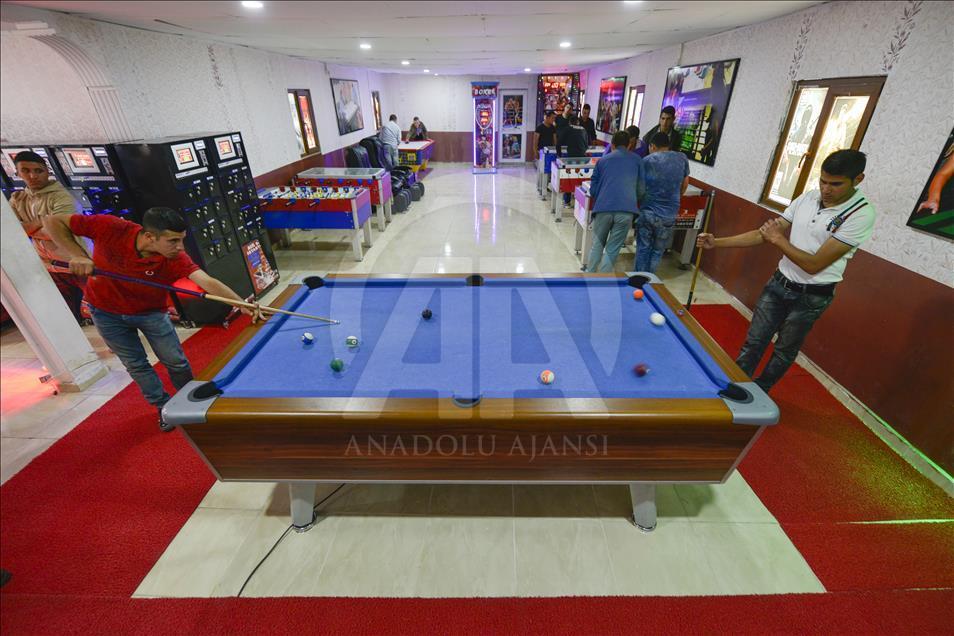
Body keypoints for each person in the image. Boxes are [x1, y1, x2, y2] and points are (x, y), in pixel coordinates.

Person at [44, 207, 258, 432]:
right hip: (106, 312)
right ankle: (163, 407)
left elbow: (207, 281)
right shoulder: (111, 227)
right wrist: (77, 255)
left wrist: (244, 305)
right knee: (137, 365)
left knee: (176, 361)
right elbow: (53, 221)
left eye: (182, 239)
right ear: (149, 237)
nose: (180, 247)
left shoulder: (175, 258)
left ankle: (190, 400)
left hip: (151, 313)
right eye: (173, 241)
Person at [696, 150, 876, 392]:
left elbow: (813, 264)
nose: (826, 189)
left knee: (784, 350)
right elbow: (764, 234)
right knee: (754, 341)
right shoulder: (808, 197)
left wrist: (778, 239)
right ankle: (736, 388)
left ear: (858, 179)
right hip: (779, 282)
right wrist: (717, 242)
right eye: (823, 181)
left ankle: (761, 392)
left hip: (813, 295)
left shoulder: (861, 214)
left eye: (836, 184)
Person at [9, 150, 89, 323]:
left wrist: (29, 228)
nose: (33, 176)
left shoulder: (62, 197)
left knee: (98, 310)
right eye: (26, 171)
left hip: (79, 262)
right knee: (67, 317)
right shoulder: (17, 198)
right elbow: (13, 232)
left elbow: (60, 231)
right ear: (18, 173)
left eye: (38, 171)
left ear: (47, 171)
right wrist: (41, 222)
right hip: (49, 266)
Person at [585, 130, 645, 273]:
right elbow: (641, 190)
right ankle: (603, 280)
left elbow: (593, 189)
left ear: (612, 145)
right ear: (629, 144)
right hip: (626, 211)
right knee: (612, 248)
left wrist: (602, 197)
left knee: (597, 245)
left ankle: (589, 275)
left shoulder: (602, 161)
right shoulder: (638, 161)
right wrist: (631, 199)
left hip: (603, 208)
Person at [635, 133, 691, 273]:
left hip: (648, 212)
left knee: (643, 248)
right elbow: (685, 184)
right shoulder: (682, 158)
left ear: (652, 146)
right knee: (657, 250)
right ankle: (650, 279)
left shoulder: (646, 161)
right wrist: (674, 199)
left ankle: (638, 279)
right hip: (669, 214)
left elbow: (639, 187)